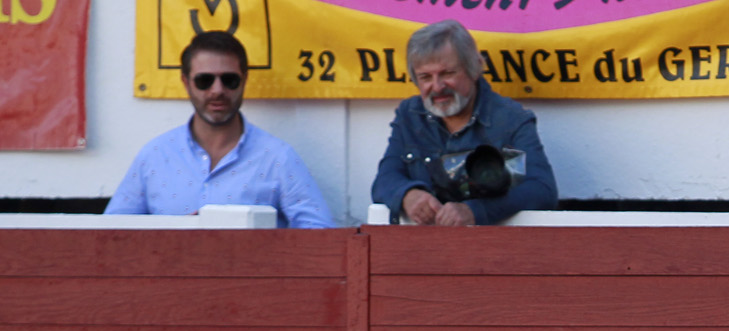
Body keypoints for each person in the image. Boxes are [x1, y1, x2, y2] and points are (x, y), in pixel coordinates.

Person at [105, 31, 333, 229]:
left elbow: (321, 235)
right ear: (185, 82)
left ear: (244, 79)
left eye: (229, 80)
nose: (217, 90)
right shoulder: (154, 156)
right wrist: (173, 234)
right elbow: (109, 235)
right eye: (204, 80)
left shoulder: (277, 158)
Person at [371, 19, 557, 226]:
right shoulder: (409, 114)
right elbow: (384, 181)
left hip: (494, 250)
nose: (438, 86)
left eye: (447, 73)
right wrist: (407, 195)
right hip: (424, 250)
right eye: (425, 77)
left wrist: (476, 211)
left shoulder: (511, 119)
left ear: (475, 68)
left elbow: (542, 190)